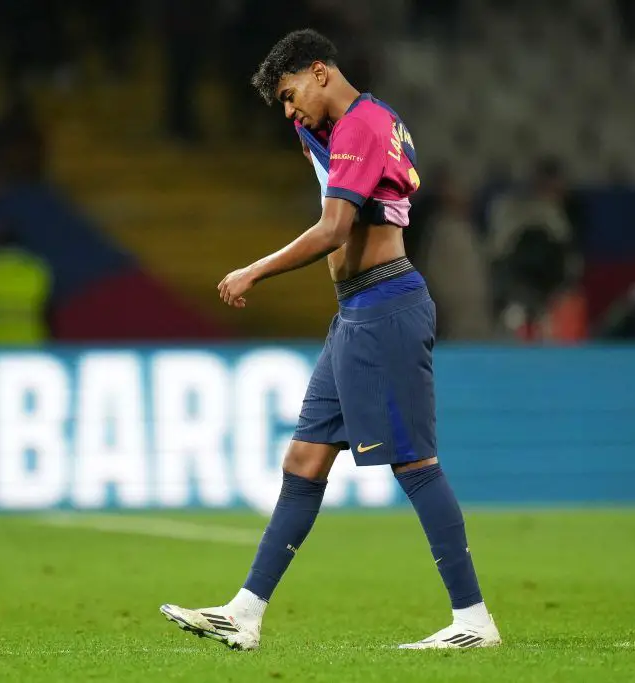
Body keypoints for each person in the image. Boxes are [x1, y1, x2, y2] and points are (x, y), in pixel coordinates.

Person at [159, 29, 501, 651]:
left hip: (386, 306)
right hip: (356, 313)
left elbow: (334, 228)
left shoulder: (363, 128)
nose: (290, 113)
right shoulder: (357, 125)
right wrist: (302, 122)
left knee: (415, 464)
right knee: (305, 460)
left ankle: (474, 621)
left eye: (291, 96)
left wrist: (253, 270)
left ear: (320, 71)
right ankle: (246, 612)